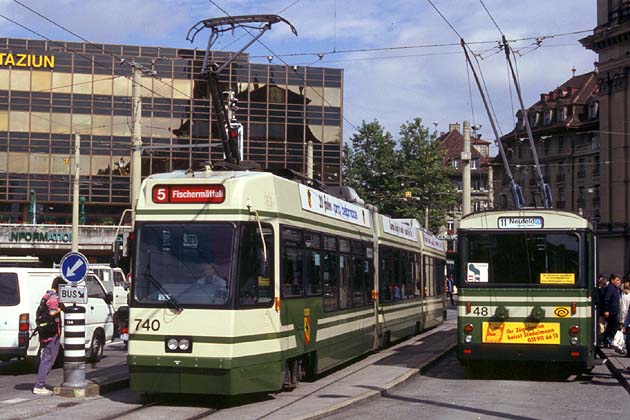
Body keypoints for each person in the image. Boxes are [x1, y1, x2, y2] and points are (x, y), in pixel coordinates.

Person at [33, 276, 65, 395]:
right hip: (51, 332)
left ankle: (40, 383)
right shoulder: (53, 298)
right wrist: (60, 309)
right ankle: (39, 385)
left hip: (45, 331)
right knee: (48, 358)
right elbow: (52, 312)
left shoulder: (46, 295)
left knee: (47, 357)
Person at [602, 274, 622, 348]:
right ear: (612, 280)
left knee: (611, 326)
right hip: (611, 311)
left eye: (619, 280)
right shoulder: (610, 288)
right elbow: (606, 299)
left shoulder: (616, 288)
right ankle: (608, 339)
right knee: (614, 326)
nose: (619, 282)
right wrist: (606, 310)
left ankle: (606, 340)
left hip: (615, 311)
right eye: (617, 280)